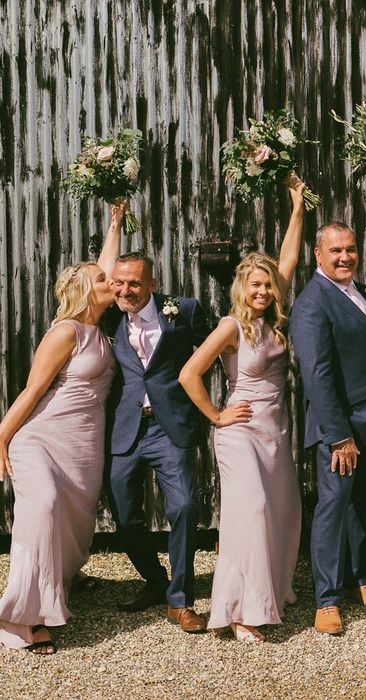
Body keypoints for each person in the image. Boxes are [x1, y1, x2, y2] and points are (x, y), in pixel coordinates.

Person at [178, 184, 305, 642]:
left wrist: (296, 210)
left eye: (268, 285)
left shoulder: (273, 320)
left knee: (285, 511)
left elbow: (287, 260)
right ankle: (239, 610)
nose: (264, 290)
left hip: (275, 430)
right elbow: (189, 374)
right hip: (240, 430)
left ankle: (270, 591)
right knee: (249, 510)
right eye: (256, 284)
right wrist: (215, 415)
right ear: (241, 288)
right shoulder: (230, 326)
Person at [0, 202, 126, 653]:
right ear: (84, 291)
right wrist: (1, 438)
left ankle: (59, 586)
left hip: (83, 445)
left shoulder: (99, 327)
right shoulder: (65, 332)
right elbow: (32, 392)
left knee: (74, 522)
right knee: (43, 507)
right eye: (102, 280)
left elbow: (105, 268)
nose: (112, 282)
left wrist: (114, 223)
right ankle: (22, 616)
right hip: (42, 438)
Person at [289, 219, 366, 635]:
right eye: (335, 251)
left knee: (362, 507)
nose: (345, 257)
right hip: (342, 430)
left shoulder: (360, 292)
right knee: (333, 509)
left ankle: (357, 578)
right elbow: (317, 374)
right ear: (318, 255)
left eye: (350, 249)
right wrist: (338, 436)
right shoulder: (312, 302)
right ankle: (327, 599)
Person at [106, 248, 209, 633]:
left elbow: (215, 348)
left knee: (183, 508)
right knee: (125, 514)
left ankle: (180, 601)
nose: (126, 290)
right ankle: (155, 581)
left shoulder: (183, 310)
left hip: (170, 426)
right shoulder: (105, 313)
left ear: (152, 283)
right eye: (119, 282)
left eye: (134, 283)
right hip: (124, 428)